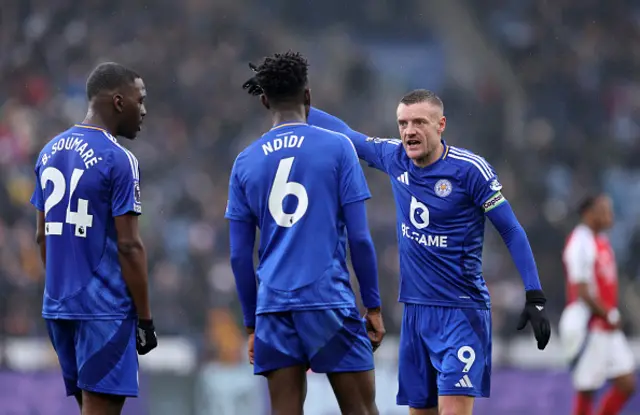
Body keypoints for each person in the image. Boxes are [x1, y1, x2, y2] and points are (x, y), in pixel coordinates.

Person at [242, 77, 550, 415]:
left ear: (440, 124)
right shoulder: (395, 158)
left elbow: (511, 230)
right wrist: (290, 101)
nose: (409, 131)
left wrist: (534, 294)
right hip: (415, 315)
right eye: (403, 123)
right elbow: (348, 134)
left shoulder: (470, 171)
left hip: (461, 312)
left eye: (419, 122)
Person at [227, 51, 385, 415]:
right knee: (361, 410)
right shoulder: (337, 148)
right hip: (328, 300)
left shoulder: (245, 161)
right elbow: (360, 238)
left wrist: (252, 323)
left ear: (264, 100)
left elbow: (239, 256)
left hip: (274, 308)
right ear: (309, 97)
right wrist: (373, 305)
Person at [30, 62, 157, 415]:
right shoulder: (119, 159)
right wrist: (145, 318)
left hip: (59, 306)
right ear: (119, 102)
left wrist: (63, 286)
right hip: (103, 310)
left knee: (89, 407)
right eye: (140, 99)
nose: (144, 110)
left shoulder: (49, 152)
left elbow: (42, 236)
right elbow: (130, 245)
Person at [560, 194, 636, 415]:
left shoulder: (601, 241)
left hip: (606, 326)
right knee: (587, 390)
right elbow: (582, 290)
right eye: (604, 210)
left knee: (626, 384)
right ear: (588, 213)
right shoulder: (580, 242)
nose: (610, 215)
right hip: (589, 325)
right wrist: (609, 314)